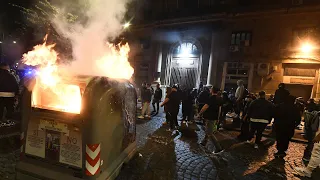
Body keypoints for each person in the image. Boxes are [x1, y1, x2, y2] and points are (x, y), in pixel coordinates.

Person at [198, 87, 223, 152]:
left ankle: (218, 148)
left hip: (209, 117)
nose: (210, 89)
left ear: (212, 90)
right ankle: (204, 142)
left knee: (210, 133)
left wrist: (199, 114)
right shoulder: (219, 98)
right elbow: (220, 109)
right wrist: (218, 117)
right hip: (214, 117)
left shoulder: (211, 98)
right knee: (208, 130)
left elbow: (205, 107)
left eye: (211, 88)